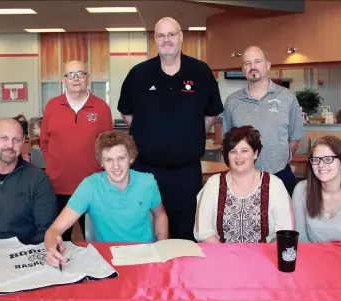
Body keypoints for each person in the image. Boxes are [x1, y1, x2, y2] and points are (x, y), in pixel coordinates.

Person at [117, 17, 223, 241]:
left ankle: (181, 275)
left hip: (186, 172)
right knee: (147, 230)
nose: (167, 40)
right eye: (161, 36)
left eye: (171, 34)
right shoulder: (138, 74)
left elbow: (212, 112)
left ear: (181, 37)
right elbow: (127, 113)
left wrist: (191, 133)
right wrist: (149, 133)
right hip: (146, 171)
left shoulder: (201, 72)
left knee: (185, 233)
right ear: (155, 39)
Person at [45, 131, 169, 267]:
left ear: (131, 158)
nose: (116, 166)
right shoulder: (90, 186)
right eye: (108, 159)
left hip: (145, 257)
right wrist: (52, 249)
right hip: (107, 260)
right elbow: (54, 230)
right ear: (101, 162)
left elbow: (160, 215)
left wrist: (161, 249)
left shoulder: (147, 182)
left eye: (121, 158)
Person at [41, 60, 113, 241]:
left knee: (95, 240)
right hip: (58, 187)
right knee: (59, 240)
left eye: (80, 74)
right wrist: (56, 167)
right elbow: (44, 142)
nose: (75, 79)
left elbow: (107, 146)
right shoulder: (52, 106)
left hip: (93, 186)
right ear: (63, 80)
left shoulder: (101, 108)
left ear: (87, 78)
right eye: (70, 75)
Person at [222, 46, 305, 197]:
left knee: (283, 220)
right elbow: (228, 142)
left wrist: (276, 159)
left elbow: (295, 139)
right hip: (243, 178)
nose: (252, 67)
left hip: (280, 175)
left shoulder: (287, 97)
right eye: (247, 63)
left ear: (267, 65)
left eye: (257, 61)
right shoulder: (232, 102)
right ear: (242, 69)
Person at [193, 126, 294, 243]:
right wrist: (225, 258)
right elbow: (204, 231)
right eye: (233, 151)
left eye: (244, 151)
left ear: (255, 153)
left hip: (264, 258)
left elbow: (285, 232)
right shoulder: (213, 184)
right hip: (222, 257)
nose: (238, 156)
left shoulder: (274, 185)